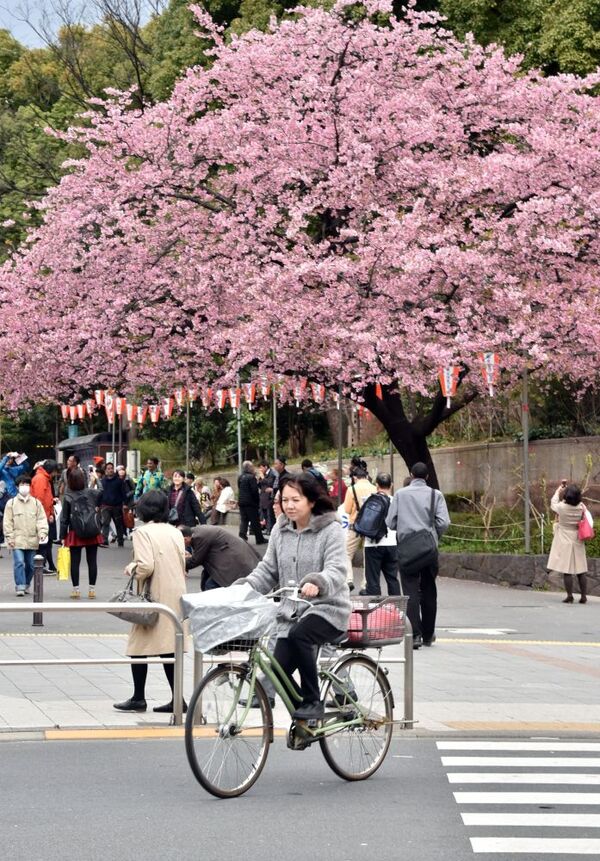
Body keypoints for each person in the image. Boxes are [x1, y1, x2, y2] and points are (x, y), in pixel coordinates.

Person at [235, 472, 350, 720]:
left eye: (295, 500)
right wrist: (244, 588)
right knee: (277, 672)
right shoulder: (280, 528)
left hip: (327, 609)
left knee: (301, 635)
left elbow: (337, 568)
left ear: (311, 501)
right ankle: (306, 719)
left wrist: (318, 582)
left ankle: (313, 702)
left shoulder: (330, 529)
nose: (289, 505)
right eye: (284, 500)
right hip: (292, 611)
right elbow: (268, 569)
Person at [113, 490, 187, 714]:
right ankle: (178, 699)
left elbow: (145, 566)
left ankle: (138, 697)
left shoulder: (142, 532)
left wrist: (130, 567)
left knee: (137, 646)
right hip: (176, 593)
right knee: (169, 647)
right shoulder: (175, 531)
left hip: (154, 594)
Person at [386, 462, 450, 649]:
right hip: (429, 549)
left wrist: (405, 527)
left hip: (407, 549)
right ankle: (429, 634)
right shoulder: (435, 495)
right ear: (427, 477)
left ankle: (414, 635)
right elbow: (443, 522)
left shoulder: (400, 494)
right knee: (429, 589)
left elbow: (390, 522)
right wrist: (432, 534)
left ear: (411, 475)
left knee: (410, 590)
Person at [60, 468, 103, 599]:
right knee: (92, 561)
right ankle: (92, 590)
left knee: (75, 562)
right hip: (91, 530)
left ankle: (76, 590)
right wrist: (96, 478)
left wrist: (62, 536)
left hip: (75, 531)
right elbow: (101, 491)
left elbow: (64, 518)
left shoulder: (68, 496)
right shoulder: (91, 492)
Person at [3, 475, 48, 596]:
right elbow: (7, 522)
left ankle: (26, 583)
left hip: (32, 539)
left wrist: (42, 532)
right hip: (16, 539)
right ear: (17, 487)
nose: (24, 487)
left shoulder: (36, 503)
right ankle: (20, 586)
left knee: (31, 565)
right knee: (19, 562)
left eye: (27, 484)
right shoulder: (11, 503)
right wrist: (9, 537)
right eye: (22, 484)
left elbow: (41, 519)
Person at [180, 525, 260, 588]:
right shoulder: (195, 533)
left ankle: (215, 607)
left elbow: (196, 560)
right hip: (227, 555)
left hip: (232, 559)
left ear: (185, 539)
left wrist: (181, 562)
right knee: (206, 582)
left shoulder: (199, 537)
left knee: (210, 585)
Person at [547, 481, 588, 604]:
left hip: (564, 537)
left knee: (567, 570)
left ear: (566, 496)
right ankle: (584, 596)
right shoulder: (581, 507)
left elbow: (553, 503)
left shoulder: (561, 507)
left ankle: (570, 596)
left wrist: (558, 491)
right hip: (577, 537)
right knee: (581, 570)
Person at [363, 473, 400, 596]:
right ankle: (396, 608)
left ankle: (374, 610)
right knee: (392, 579)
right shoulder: (396, 501)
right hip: (391, 543)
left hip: (372, 544)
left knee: (373, 580)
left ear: (376, 485)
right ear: (392, 485)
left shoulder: (368, 499)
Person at [343, 460, 376, 590]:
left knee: (346, 553)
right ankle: (365, 584)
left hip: (355, 526)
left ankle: (349, 580)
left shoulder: (352, 489)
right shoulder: (374, 488)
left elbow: (346, 509)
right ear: (367, 477)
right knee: (367, 555)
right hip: (371, 527)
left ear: (355, 477)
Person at [31, 459, 59, 573]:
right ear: (51, 470)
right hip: (42, 516)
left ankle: (43, 565)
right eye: (56, 471)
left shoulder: (44, 478)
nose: (56, 474)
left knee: (45, 542)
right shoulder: (41, 479)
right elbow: (39, 499)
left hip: (46, 514)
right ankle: (40, 566)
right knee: (43, 542)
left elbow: (45, 498)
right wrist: (45, 516)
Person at [0, 451, 29, 549]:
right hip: (3, 497)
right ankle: (5, 538)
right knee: (5, 518)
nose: (9, 461)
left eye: (11, 460)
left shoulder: (12, 470)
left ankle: (13, 537)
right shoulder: (1, 469)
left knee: (15, 518)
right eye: (9, 459)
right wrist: (6, 457)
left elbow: (25, 467)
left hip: (13, 496)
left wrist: (20, 458)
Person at [97, 462, 127, 547]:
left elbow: (123, 493)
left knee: (118, 524)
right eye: (108, 468)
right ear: (105, 470)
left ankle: (120, 541)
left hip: (117, 506)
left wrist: (125, 504)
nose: (110, 470)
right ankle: (105, 540)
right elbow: (100, 493)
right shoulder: (103, 481)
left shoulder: (119, 481)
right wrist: (98, 505)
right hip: (105, 506)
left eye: (111, 468)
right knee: (105, 523)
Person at [238, 460, 266, 544]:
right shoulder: (251, 477)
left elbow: (240, 487)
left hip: (242, 501)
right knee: (255, 521)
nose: (254, 468)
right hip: (250, 502)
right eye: (252, 466)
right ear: (249, 468)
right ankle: (259, 539)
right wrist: (257, 502)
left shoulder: (240, 477)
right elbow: (254, 491)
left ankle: (242, 535)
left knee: (244, 519)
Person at [257, 461, 276, 533]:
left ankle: (270, 529)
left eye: (261, 467)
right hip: (263, 496)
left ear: (266, 467)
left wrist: (263, 477)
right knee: (264, 513)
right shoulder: (263, 475)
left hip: (269, 497)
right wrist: (259, 480)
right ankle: (268, 529)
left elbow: (270, 483)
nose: (260, 469)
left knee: (269, 514)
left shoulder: (271, 474)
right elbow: (260, 486)